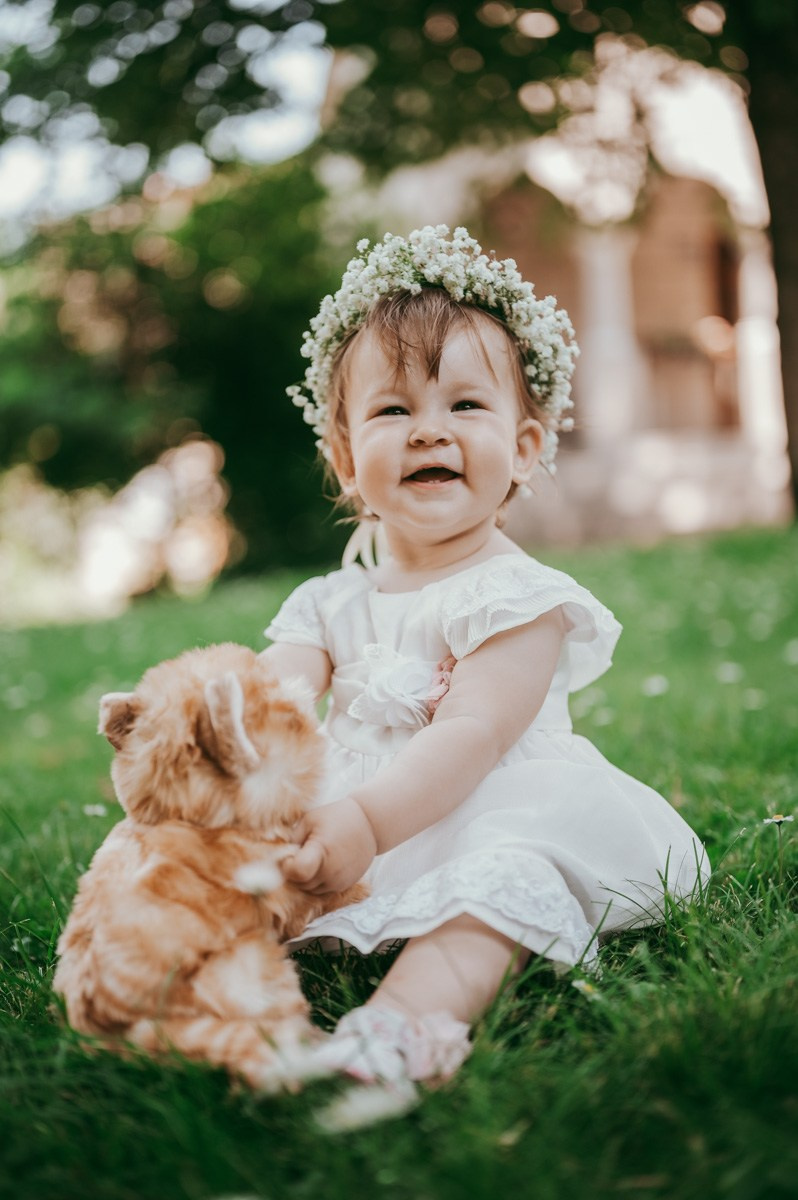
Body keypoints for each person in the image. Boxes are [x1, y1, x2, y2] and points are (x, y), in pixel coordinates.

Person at [260, 226, 709, 1087]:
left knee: (495, 885)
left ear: (526, 449)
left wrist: (365, 825)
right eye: (394, 410)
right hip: (353, 811)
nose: (430, 432)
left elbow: (470, 732)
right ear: (348, 458)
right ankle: (186, 989)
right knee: (241, 874)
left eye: (465, 406)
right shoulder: (327, 603)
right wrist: (226, 741)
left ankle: (398, 1029)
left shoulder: (518, 598)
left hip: (484, 804)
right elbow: (273, 697)